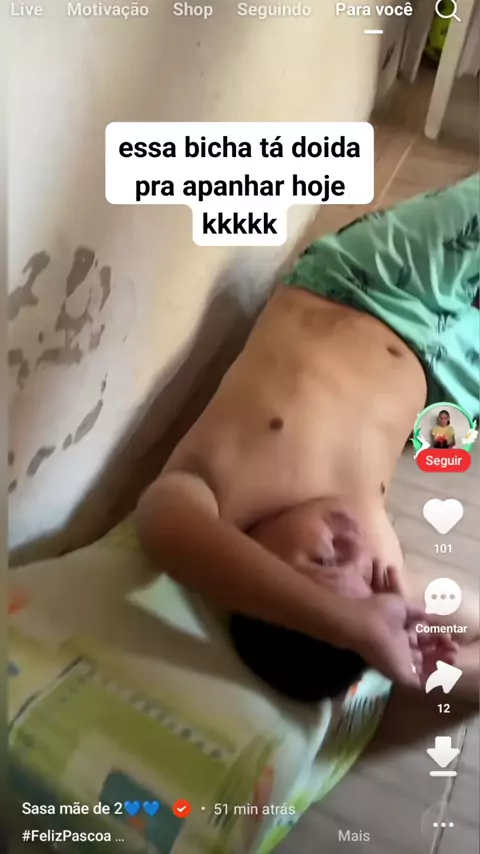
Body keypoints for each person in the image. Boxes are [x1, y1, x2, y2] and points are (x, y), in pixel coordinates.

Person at [137, 173, 480, 694]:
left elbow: (161, 529)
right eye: (366, 575)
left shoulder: (215, 498)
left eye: (322, 558)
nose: (352, 540)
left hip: (366, 288)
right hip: (442, 376)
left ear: (258, 575)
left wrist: (351, 624)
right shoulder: (379, 583)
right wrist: (419, 664)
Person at [230, 499, 478, 702]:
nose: (356, 543)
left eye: (326, 560)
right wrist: (427, 666)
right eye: (369, 576)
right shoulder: (387, 573)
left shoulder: (222, 490)